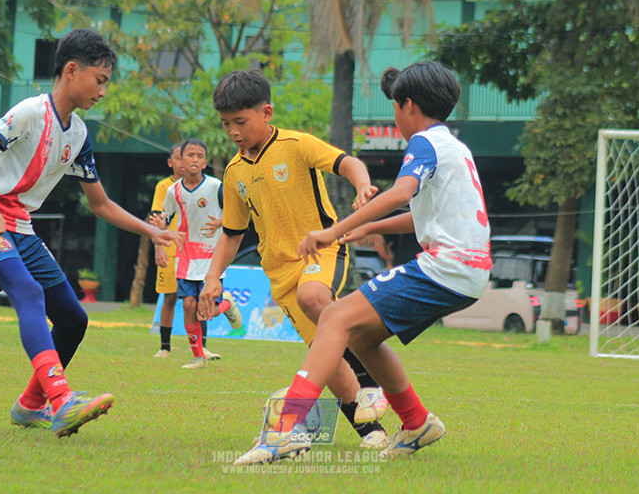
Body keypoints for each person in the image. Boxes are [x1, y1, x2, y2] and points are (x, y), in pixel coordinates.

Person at [222, 61, 492, 465]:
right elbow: (424, 216)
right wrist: (366, 228)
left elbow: (400, 193)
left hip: (446, 267)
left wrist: (332, 231)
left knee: (334, 318)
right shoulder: (455, 147)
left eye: (394, 108)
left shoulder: (424, 143)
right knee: (361, 338)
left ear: (407, 106)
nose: (395, 118)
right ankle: (416, 422)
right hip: (469, 271)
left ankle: (285, 430)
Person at [0, 29, 182, 437]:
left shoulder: (77, 135)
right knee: (29, 293)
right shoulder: (30, 112)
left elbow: (100, 203)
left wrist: (151, 230)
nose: (103, 91)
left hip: (20, 225)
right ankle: (61, 400)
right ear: (72, 70)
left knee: (74, 319)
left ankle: (29, 406)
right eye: (100, 80)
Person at [197, 69, 390, 451]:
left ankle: (371, 385)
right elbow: (233, 233)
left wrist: (363, 185)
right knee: (325, 356)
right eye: (225, 124)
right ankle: (372, 431)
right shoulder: (234, 172)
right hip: (279, 274)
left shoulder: (296, 144)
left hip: (322, 251)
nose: (233, 131)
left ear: (266, 112)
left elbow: (347, 162)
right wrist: (213, 276)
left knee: (314, 298)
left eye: (240, 122)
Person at [159, 137, 241, 369]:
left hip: (213, 258)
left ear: (205, 162)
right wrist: (161, 226)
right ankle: (198, 357)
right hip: (186, 258)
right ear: (180, 160)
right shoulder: (173, 191)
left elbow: (238, 213)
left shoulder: (216, 187)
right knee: (188, 305)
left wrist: (220, 222)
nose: (195, 160)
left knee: (206, 311)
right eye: (190, 155)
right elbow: (165, 216)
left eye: (200, 156)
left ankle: (226, 304)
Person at [149, 142, 184, 358]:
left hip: (193, 249)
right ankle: (164, 347)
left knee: (195, 299)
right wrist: (158, 247)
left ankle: (202, 348)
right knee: (169, 297)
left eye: (186, 157)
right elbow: (156, 220)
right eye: (178, 158)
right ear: (170, 162)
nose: (183, 162)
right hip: (170, 248)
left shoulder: (203, 186)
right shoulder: (164, 187)